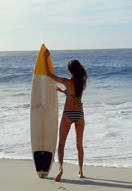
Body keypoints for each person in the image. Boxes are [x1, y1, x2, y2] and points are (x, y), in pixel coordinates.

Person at [44, 49, 88, 182]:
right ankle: (81, 172)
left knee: (61, 144)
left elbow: (49, 74)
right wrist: (63, 91)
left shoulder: (67, 81)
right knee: (79, 145)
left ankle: (60, 169)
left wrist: (46, 58)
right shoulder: (82, 83)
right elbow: (74, 95)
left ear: (70, 71)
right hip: (79, 114)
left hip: (68, 114)